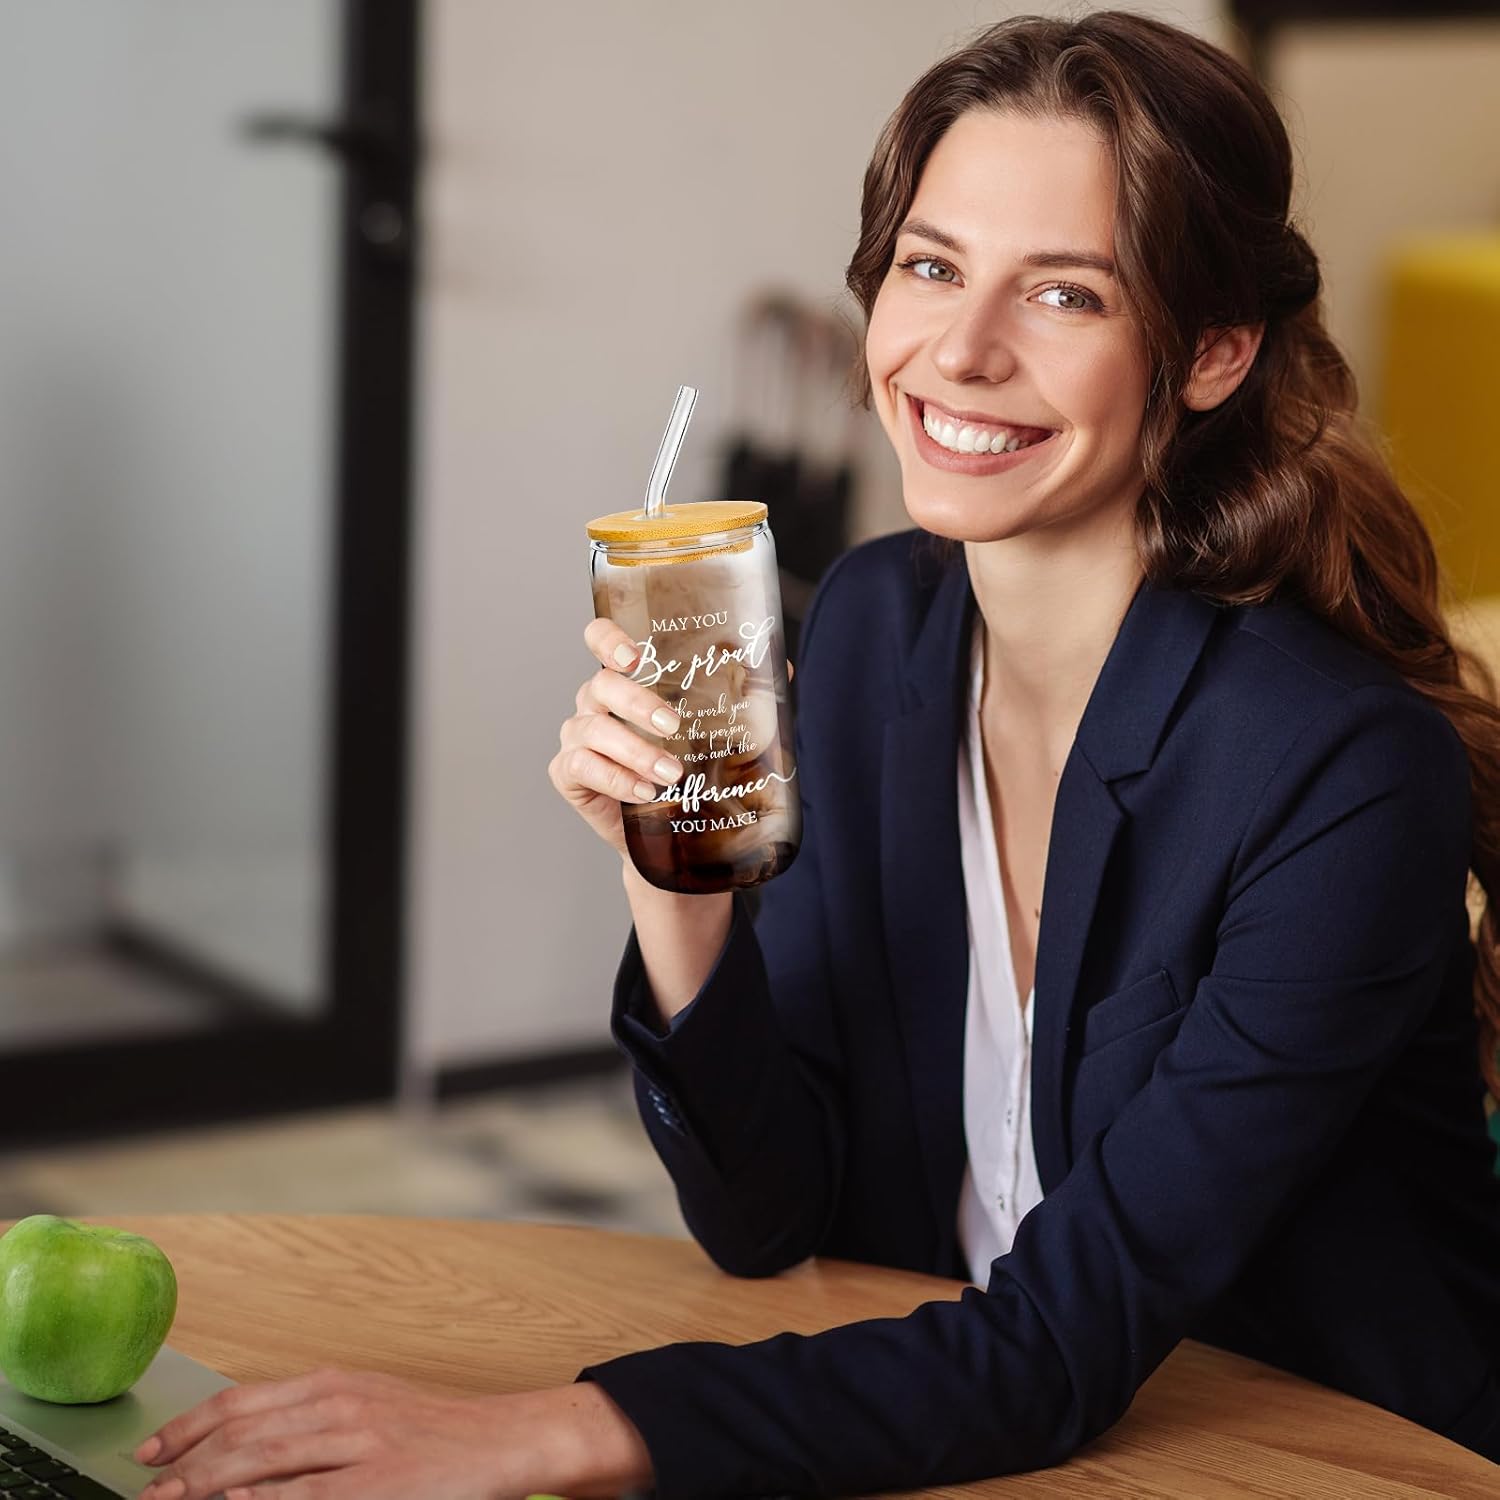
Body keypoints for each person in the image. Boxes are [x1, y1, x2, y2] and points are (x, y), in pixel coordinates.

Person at [131, 11, 1500, 1499]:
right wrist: (678, 881)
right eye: (930, 266)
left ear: (1213, 354)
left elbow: (1057, 1344)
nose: (960, 353)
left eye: (1064, 294)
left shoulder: (1334, 774)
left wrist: (547, 1424)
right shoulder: (871, 633)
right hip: (958, 1431)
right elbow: (771, 1215)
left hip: (1309, 1458)